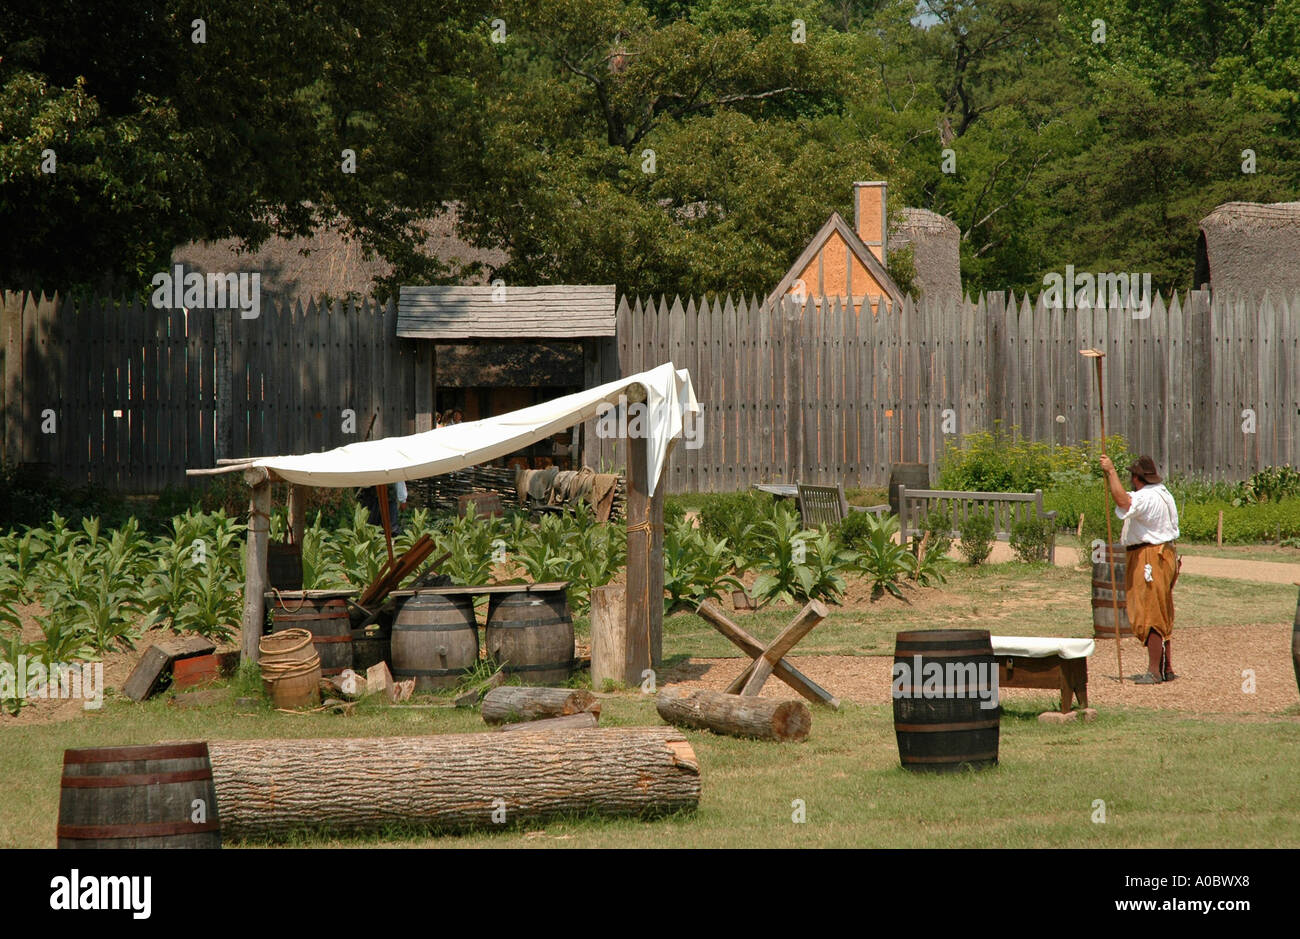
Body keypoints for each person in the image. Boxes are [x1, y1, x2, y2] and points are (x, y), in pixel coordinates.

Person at [1099, 454, 1181, 684]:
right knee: (1161, 609)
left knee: (1149, 611)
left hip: (1150, 556)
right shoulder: (1163, 493)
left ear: (1136, 478)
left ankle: (1155, 671)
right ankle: (1166, 668)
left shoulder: (1146, 498)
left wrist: (1110, 472)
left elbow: (1123, 502)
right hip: (1162, 553)